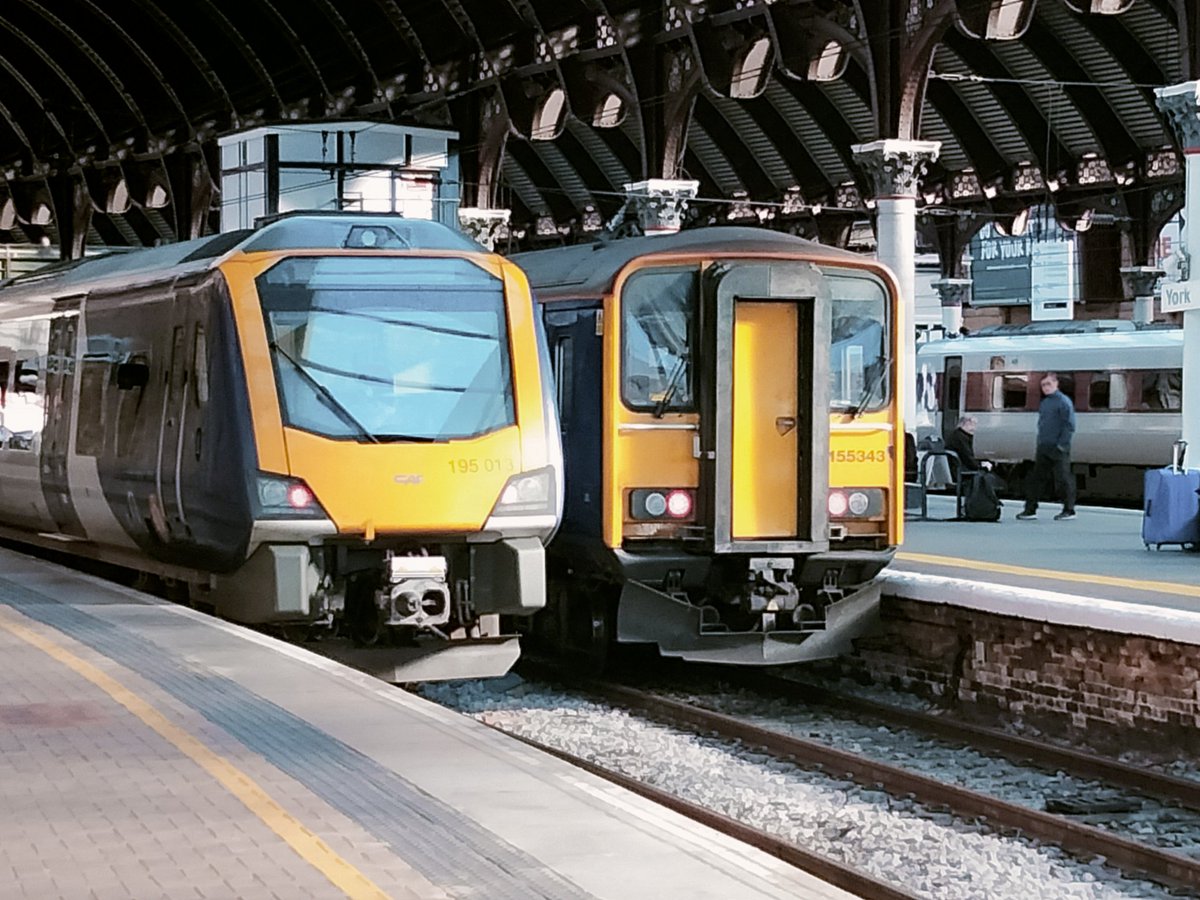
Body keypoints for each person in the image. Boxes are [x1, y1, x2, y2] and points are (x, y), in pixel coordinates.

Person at [1016, 372, 1076, 521]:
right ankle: (1030, 510)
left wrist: (1062, 445)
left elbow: (1069, 425)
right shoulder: (1045, 402)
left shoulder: (1063, 402)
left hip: (1058, 448)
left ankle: (1069, 510)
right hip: (1044, 446)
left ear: (1056, 384)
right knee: (1036, 480)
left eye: (1048, 384)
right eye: (1043, 385)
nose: (1045, 387)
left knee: (1062, 479)